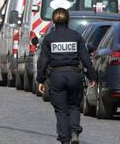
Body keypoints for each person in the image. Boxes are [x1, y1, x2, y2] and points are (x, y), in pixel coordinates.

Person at [36, 8, 96, 144]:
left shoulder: (49, 39)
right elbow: (86, 58)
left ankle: (64, 139)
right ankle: (74, 131)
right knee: (74, 106)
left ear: (53, 21)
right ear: (68, 19)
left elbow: (43, 61)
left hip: (57, 76)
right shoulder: (76, 36)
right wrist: (92, 76)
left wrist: (40, 79)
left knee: (61, 110)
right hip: (74, 75)